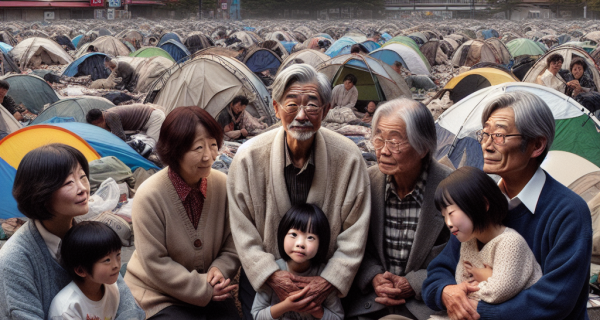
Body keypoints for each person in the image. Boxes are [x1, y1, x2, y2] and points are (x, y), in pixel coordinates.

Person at [422, 91, 592, 320]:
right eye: (484, 134)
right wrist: (446, 292)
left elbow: (555, 299)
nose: (487, 146)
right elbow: (439, 271)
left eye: (499, 135)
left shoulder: (569, 212)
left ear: (537, 145)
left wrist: (473, 310)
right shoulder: (481, 203)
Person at [227, 64, 371, 320]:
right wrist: (272, 275)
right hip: (265, 279)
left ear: (326, 110)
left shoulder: (348, 157)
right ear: (275, 108)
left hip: (323, 283)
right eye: (292, 105)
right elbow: (242, 228)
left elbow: (355, 231)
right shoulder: (248, 157)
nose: (302, 115)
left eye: (312, 106)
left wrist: (328, 280)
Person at [0, 143, 144, 320]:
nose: (83, 188)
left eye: (82, 177)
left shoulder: (88, 235)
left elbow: (126, 303)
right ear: (40, 193)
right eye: (69, 182)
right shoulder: (15, 260)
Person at [124, 106, 240, 320]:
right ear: (174, 150)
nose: (209, 156)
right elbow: (155, 262)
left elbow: (233, 240)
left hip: (209, 286)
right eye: (198, 148)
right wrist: (203, 289)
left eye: (213, 145)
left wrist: (221, 268)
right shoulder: (149, 195)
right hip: (158, 292)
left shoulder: (223, 185)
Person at [344, 98, 452, 320]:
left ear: (423, 147)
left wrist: (414, 283)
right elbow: (349, 240)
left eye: (394, 142)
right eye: (379, 139)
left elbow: (461, 256)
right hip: (370, 302)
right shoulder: (367, 182)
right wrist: (373, 276)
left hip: (425, 306)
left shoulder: (451, 189)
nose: (382, 151)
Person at [428, 166, 542, 320]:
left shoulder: (511, 242)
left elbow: (496, 291)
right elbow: (460, 281)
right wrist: (486, 279)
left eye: (451, 213)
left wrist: (466, 292)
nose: (448, 223)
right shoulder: (468, 242)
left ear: (482, 204)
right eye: (444, 216)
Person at [251, 204, 344, 320]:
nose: (300, 244)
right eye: (293, 234)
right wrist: (286, 306)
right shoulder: (273, 271)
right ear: (282, 236)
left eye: (310, 237)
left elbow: (338, 317)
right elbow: (257, 315)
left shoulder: (324, 275)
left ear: (321, 244)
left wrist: (316, 310)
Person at [48, 221, 123, 320]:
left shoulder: (112, 289)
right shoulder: (68, 309)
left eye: (118, 255)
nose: (116, 265)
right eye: (107, 260)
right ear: (81, 270)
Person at [86, 105, 165, 148]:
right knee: (143, 146)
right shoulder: (106, 115)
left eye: (96, 125)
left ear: (98, 120)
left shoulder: (110, 116)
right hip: (146, 121)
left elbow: (120, 138)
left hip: (154, 118)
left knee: (150, 147)